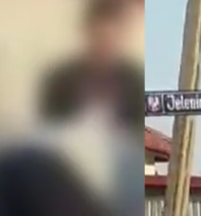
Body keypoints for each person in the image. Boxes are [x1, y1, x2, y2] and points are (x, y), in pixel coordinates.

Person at [41, 0, 143, 131]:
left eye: (109, 41)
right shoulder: (61, 80)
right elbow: (49, 128)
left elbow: (135, 131)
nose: (104, 47)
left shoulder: (134, 85)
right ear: (88, 33)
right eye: (99, 38)